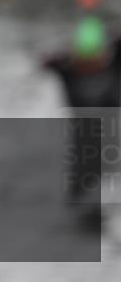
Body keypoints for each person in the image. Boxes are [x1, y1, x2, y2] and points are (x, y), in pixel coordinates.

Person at [42, 16, 120, 210]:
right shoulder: (68, 72)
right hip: (83, 150)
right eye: (85, 59)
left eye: (94, 58)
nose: (89, 65)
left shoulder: (115, 66)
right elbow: (45, 62)